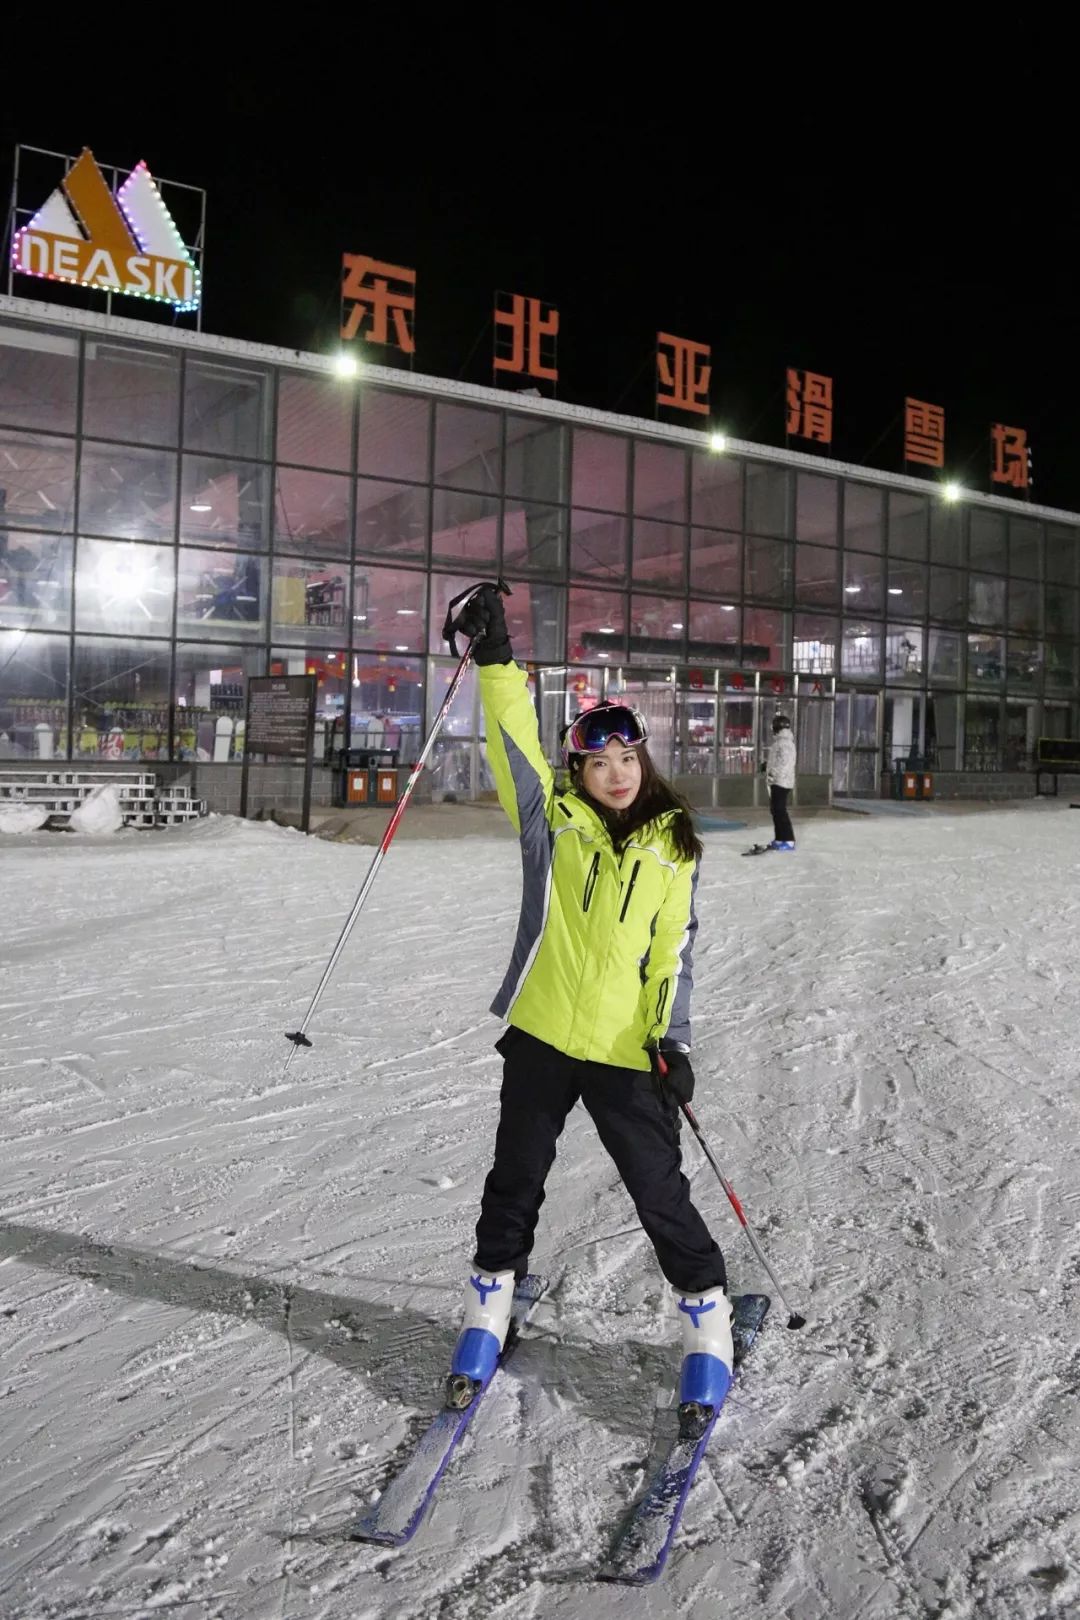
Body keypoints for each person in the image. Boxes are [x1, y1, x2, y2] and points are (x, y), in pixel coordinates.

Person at [443, 583, 733, 1418]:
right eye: (599, 761)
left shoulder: (674, 846)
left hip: (622, 1049)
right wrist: (497, 660)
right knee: (515, 1181)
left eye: (629, 759)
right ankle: (490, 1298)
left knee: (657, 1190)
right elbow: (511, 745)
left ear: (644, 763)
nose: (616, 773)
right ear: (578, 768)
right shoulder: (551, 822)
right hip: (540, 1035)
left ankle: (706, 1315)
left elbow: (673, 952)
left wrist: (671, 1043)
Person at [765, 713, 797, 850]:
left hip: (781, 781)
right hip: (777, 780)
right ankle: (779, 838)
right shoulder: (780, 742)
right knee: (775, 810)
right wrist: (766, 766)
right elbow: (777, 760)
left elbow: (784, 763)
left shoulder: (784, 743)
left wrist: (773, 773)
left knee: (780, 810)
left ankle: (788, 840)